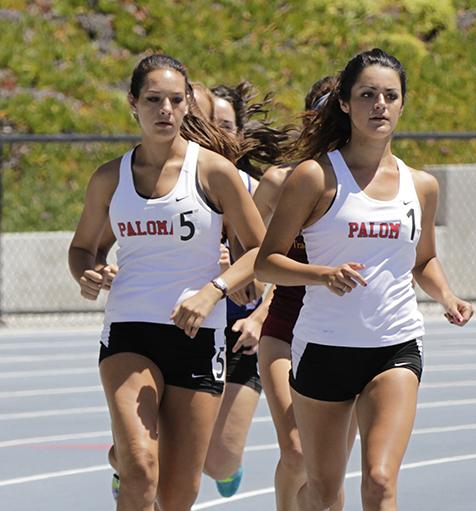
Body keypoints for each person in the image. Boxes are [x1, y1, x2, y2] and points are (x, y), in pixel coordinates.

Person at [255, 48, 473, 511]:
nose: (380, 105)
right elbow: (267, 262)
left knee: (378, 482)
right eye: (368, 94)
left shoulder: (422, 186)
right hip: (324, 349)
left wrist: (447, 295)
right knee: (323, 491)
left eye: (390, 96)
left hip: (394, 346)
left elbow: (423, 261)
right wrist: (321, 274)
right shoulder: (315, 178)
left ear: (402, 104)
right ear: (345, 104)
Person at [68, 53, 265, 511]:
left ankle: (125, 450)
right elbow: (83, 249)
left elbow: (259, 251)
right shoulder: (109, 178)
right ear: (133, 103)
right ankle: (127, 453)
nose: (165, 110)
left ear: (187, 108)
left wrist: (214, 290)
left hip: (197, 335)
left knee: (177, 496)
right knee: (140, 469)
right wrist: (88, 274)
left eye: (176, 101)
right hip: (129, 330)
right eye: (154, 99)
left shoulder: (214, 172)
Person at [255, 76, 357, 511]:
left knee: (327, 468)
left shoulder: (368, 187)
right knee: (296, 451)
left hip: (342, 336)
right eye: (323, 111)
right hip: (283, 326)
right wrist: (250, 298)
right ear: (310, 117)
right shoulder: (281, 181)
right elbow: (251, 247)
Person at [202, 81, 289, 497]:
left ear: (239, 133)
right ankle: (126, 464)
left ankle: (224, 465)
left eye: (225, 124)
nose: (215, 133)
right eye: (205, 123)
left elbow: (276, 262)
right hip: (186, 330)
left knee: (218, 461)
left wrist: (258, 316)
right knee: (145, 449)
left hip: (241, 334)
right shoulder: (173, 184)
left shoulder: (257, 191)